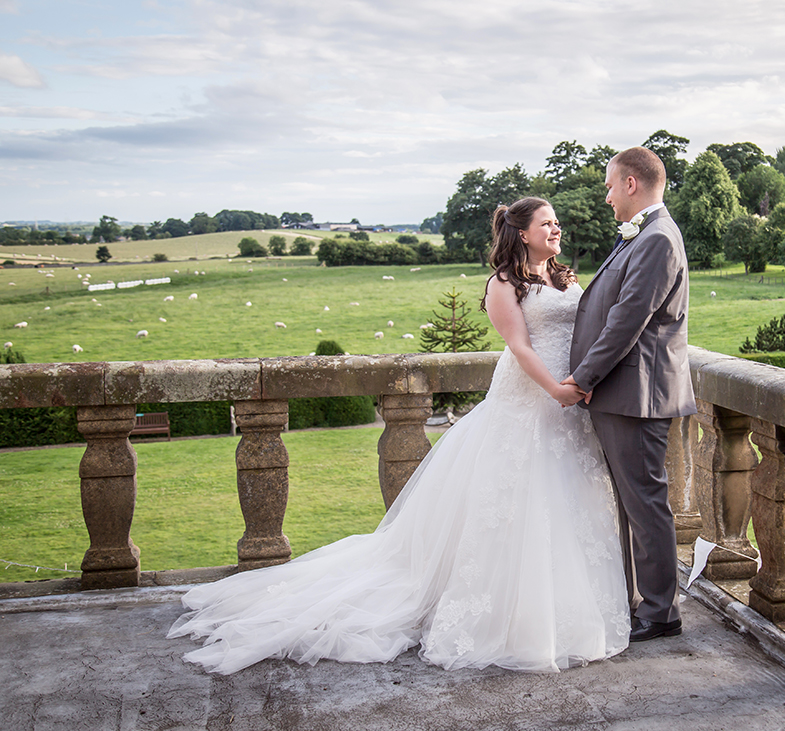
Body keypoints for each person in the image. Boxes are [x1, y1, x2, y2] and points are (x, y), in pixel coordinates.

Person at [167, 197, 630, 674]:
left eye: (556, 223)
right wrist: (556, 388)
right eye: (546, 223)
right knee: (520, 502)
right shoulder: (503, 284)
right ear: (522, 233)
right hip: (531, 397)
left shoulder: (564, 277)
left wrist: (585, 380)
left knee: (566, 499)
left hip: (571, 404)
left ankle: (568, 603)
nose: (556, 230)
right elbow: (518, 346)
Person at [562, 146, 696, 643]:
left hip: (637, 395)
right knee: (630, 502)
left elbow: (627, 321)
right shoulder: (643, 235)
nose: (605, 195)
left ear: (631, 184)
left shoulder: (658, 238)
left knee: (645, 502)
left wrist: (582, 379)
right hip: (623, 393)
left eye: (608, 185)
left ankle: (661, 612)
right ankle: (636, 601)